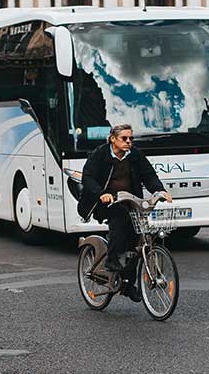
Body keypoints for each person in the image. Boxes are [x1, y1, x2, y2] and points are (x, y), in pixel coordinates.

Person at [78, 124, 172, 301]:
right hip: (105, 202)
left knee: (138, 239)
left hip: (131, 200)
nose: (129, 142)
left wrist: (159, 191)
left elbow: (149, 175)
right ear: (113, 138)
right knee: (120, 218)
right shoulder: (101, 153)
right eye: (124, 139)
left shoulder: (134, 154)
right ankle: (112, 260)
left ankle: (128, 283)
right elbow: (87, 177)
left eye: (131, 139)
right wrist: (102, 194)